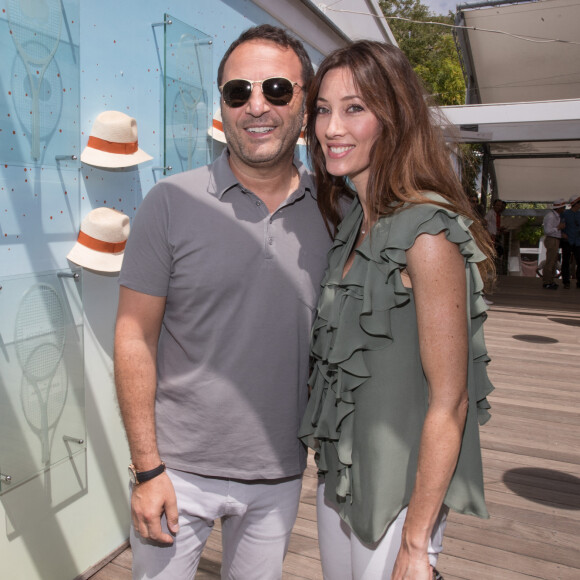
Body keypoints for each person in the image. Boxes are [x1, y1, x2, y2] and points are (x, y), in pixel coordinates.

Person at [114, 25, 333, 579]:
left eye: (277, 90)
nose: (257, 106)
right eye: (238, 92)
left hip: (282, 472)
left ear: (304, 106)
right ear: (223, 106)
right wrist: (147, 469)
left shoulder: (337, 214)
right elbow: (133, 336)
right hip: (175, 474)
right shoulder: (168, 203)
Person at [298, 41, 495, 580]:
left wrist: (416, 543)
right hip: (341, 482)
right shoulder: (349, 227)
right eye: (322, 109)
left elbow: (451, 403)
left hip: (400, 501)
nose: (331, 127)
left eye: (354, 108)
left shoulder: (426, 233)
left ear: (394, 116)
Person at [541, 198, 566, 289]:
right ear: (558, 208)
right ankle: (547, 281)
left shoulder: (556, 216)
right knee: (550, 261)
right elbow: (547, 231)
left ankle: (550, 280)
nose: (563, 209)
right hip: (552, 239)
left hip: (555, 239)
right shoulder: (551, 216)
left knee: (553, 261)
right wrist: (558, 228)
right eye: (562, 207)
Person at [561, 194, 580, 289]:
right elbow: (560, 225)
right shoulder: (565, 214)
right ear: (575, 204)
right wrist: (562, 234)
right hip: (567, 240)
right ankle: (566, 281)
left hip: (578, 241)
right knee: (566, 261)